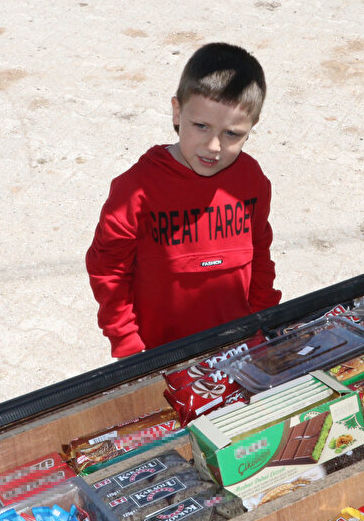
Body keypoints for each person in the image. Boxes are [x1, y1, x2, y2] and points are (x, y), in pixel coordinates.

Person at [86, 43, 282, 358]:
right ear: (178, 111)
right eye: (201, 126)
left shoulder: (252, 181)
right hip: (160, 356)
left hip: (240, 348)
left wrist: (263, 323)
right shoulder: (135, 190)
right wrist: (128, 348)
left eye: (232, 134)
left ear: (251, 129)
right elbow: (108, 270)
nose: (214, 146)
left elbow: (260, 252)